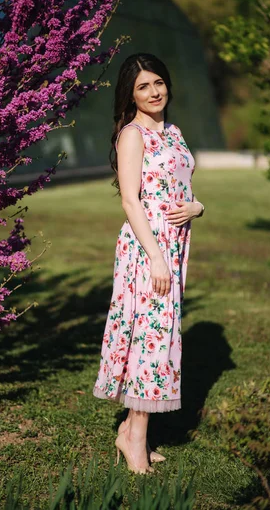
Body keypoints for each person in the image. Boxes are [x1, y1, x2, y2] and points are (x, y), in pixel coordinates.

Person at [92, 53, 205, 474]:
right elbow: (129, 200)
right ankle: (134, 439)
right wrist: (156, 256)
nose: (154, 92)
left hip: (175, 245)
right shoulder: (132, 135)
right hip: (148, 248)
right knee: (150, 339)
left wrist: (197, 207)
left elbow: (182, 186)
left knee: (160, 336)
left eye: (158, 82)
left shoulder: (174, 132)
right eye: (143, 86)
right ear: (131, 93)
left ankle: (130, 430)